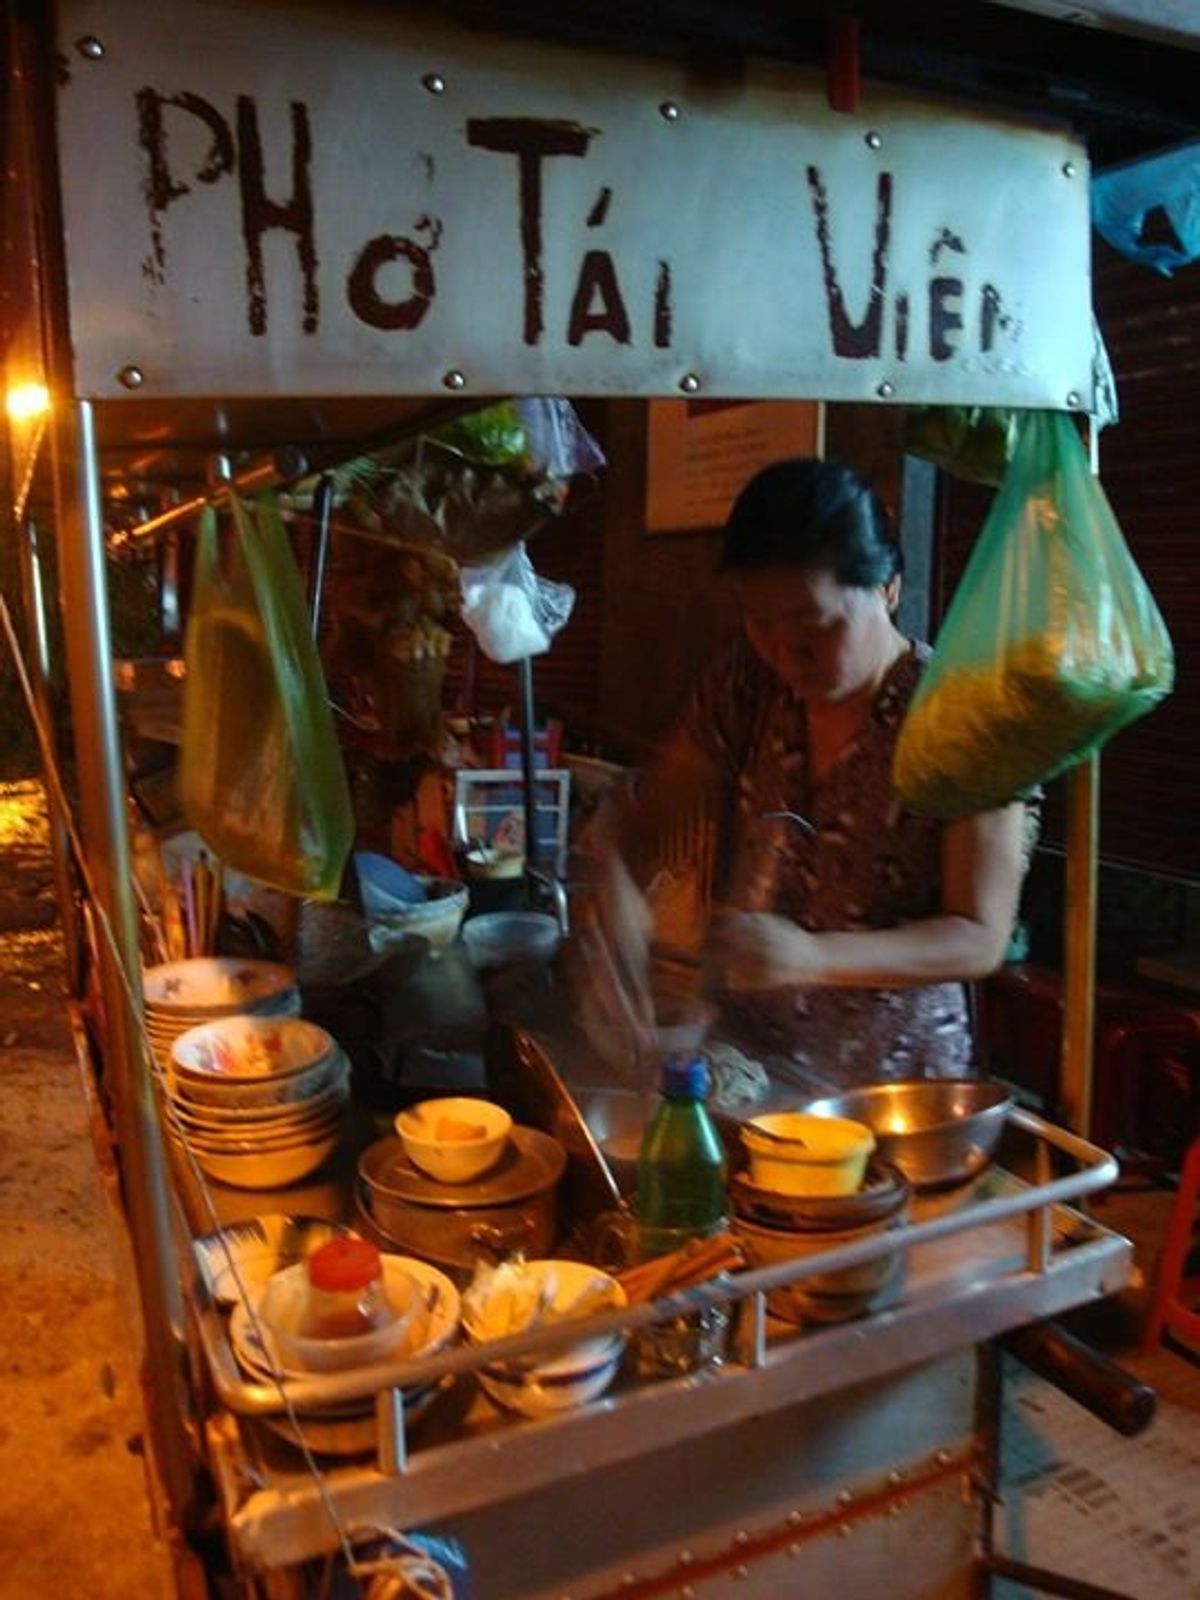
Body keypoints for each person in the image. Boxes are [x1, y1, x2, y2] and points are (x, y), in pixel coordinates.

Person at [590, 458, 1029, 1090]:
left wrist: (813, 956)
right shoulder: (748, 685)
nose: (785, 652)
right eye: (759, 621)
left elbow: (979, 936)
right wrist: (621, 918)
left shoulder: (959, 717)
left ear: (889, 590)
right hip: (752, 1064)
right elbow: (639, 826)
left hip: (891, 1087)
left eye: (815, 625)